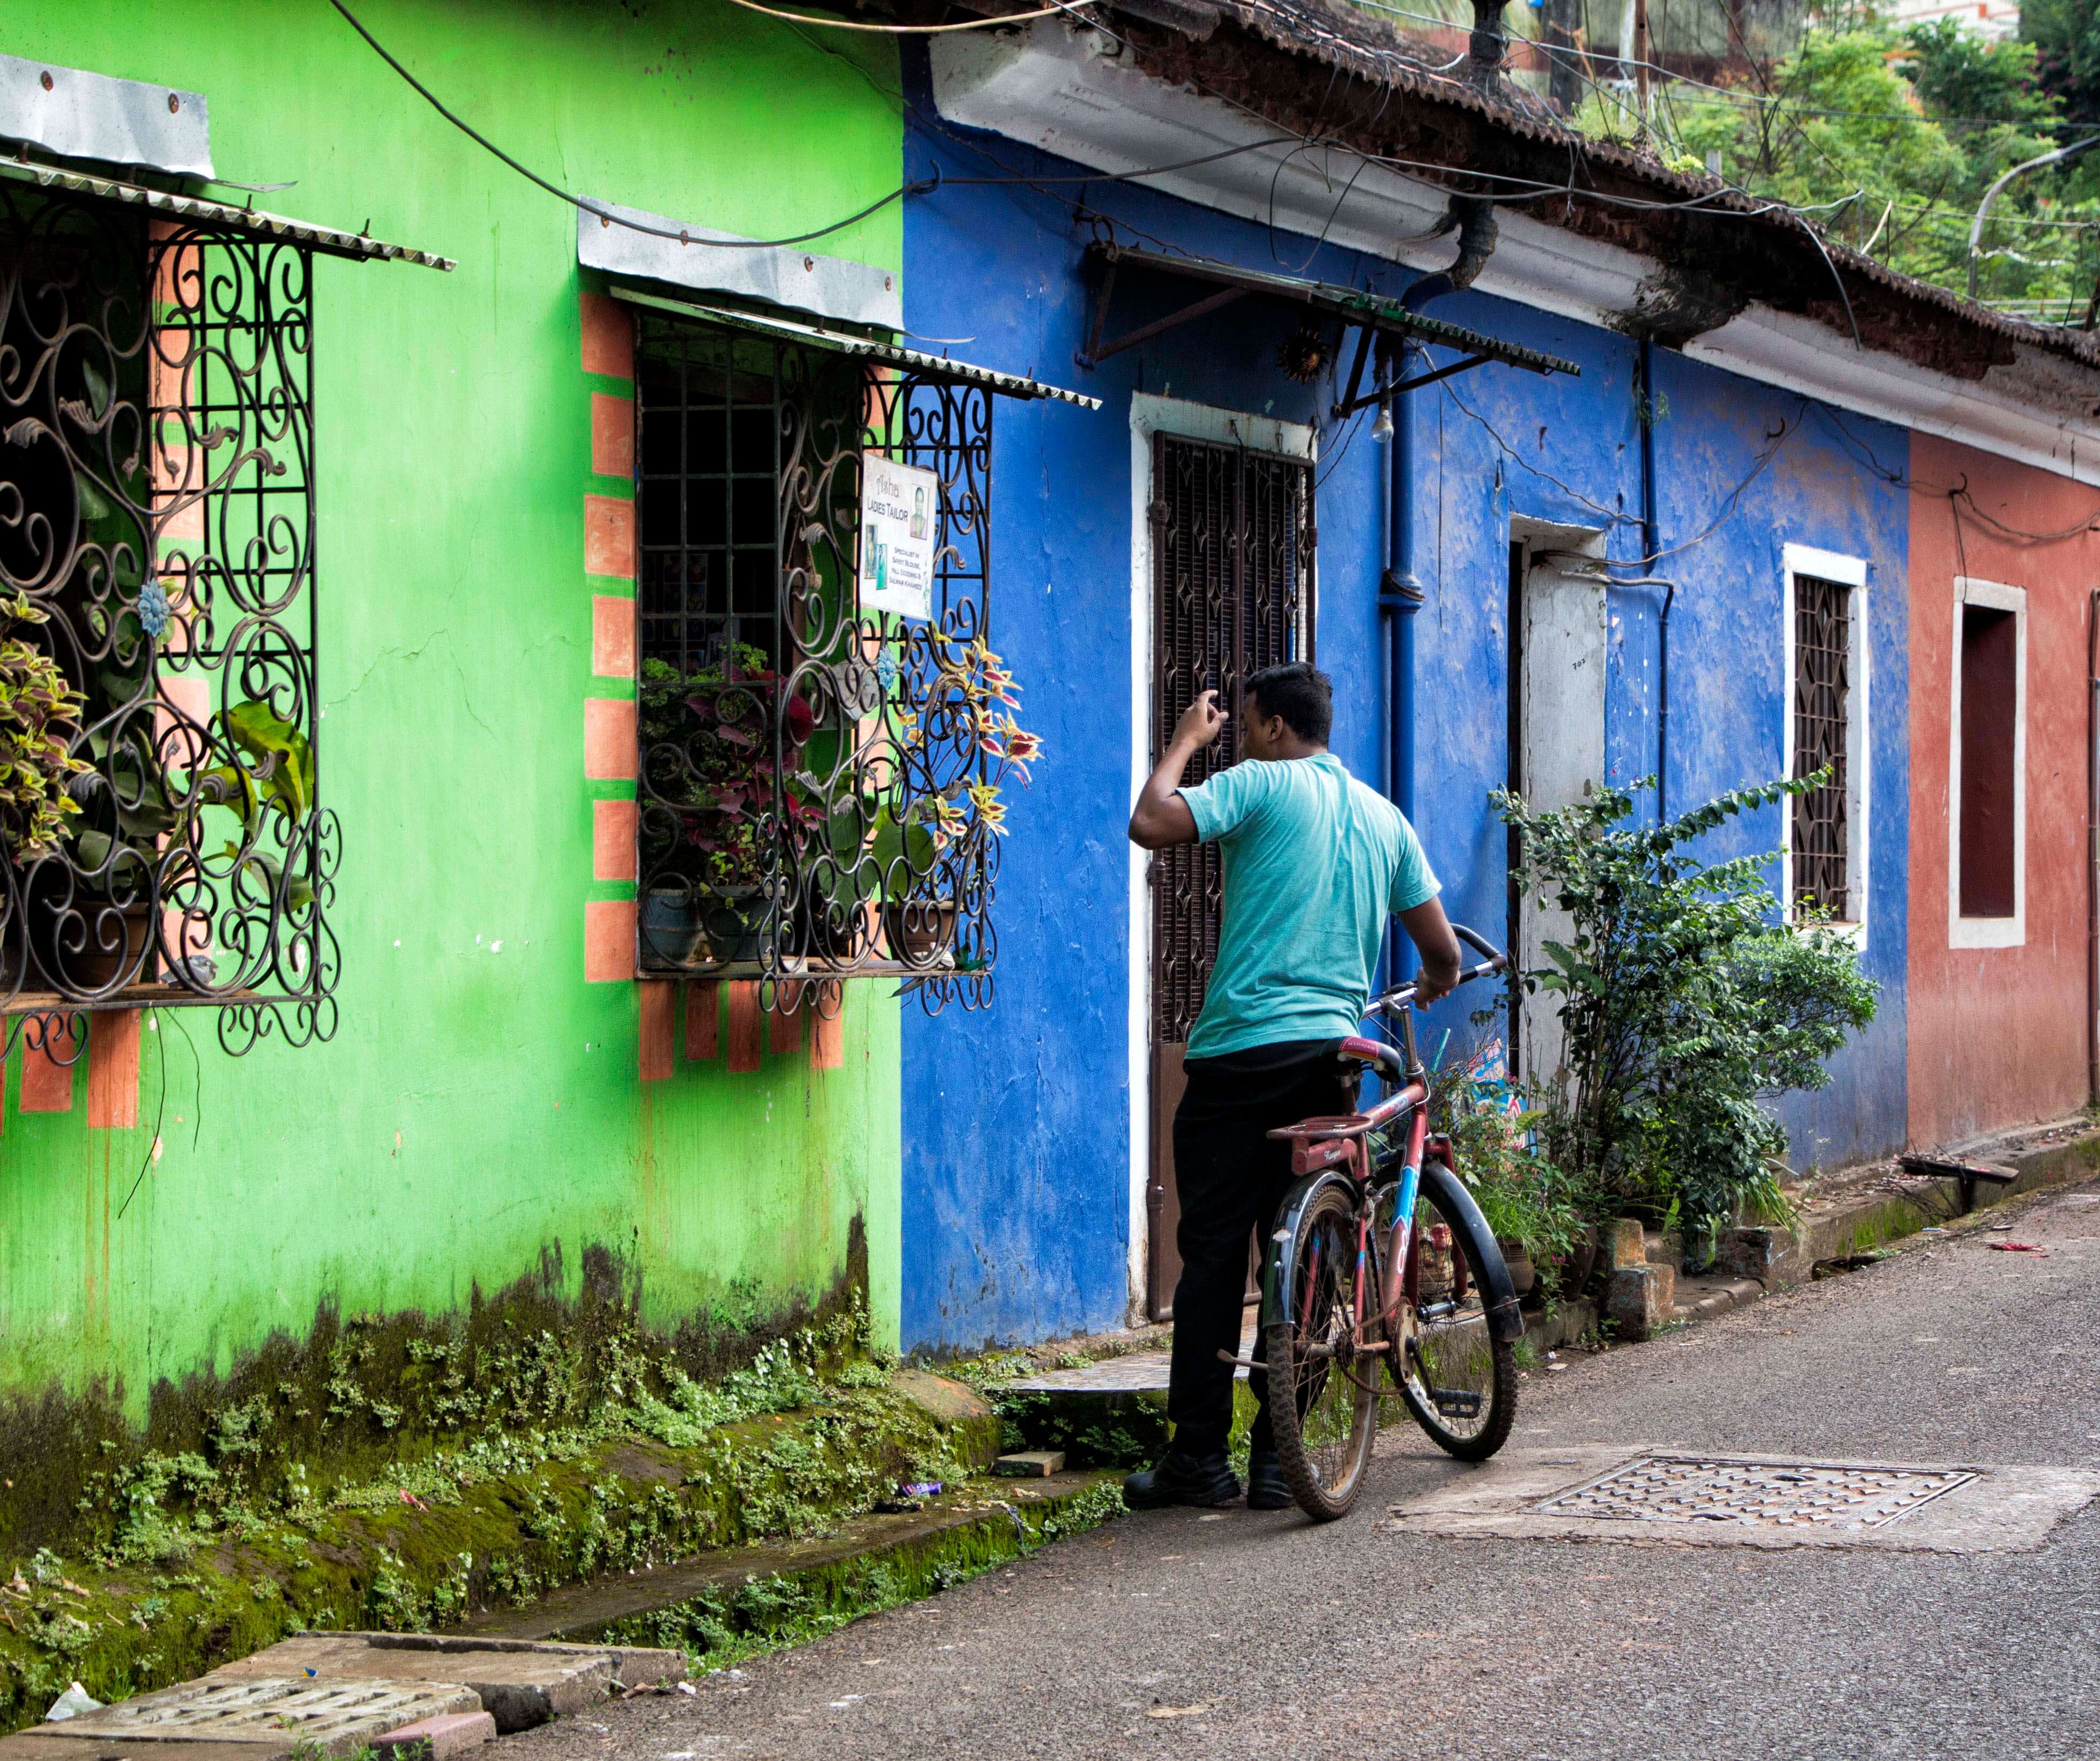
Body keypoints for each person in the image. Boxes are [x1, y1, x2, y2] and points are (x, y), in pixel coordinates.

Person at [1123, 661, 1461, 1509]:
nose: (1235, 736)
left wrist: (1182, 745)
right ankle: (1282, 1460)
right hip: (1332, 1059)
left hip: (1241, 1055)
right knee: (1308, 1248)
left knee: (1211, 1256)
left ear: (1273, 728)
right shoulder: (1384, 821)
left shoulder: (1260, 785)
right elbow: (1443, 953)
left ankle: (1197, 1458)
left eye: (1240, 724)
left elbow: (1150, 821)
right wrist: (1429, 984)